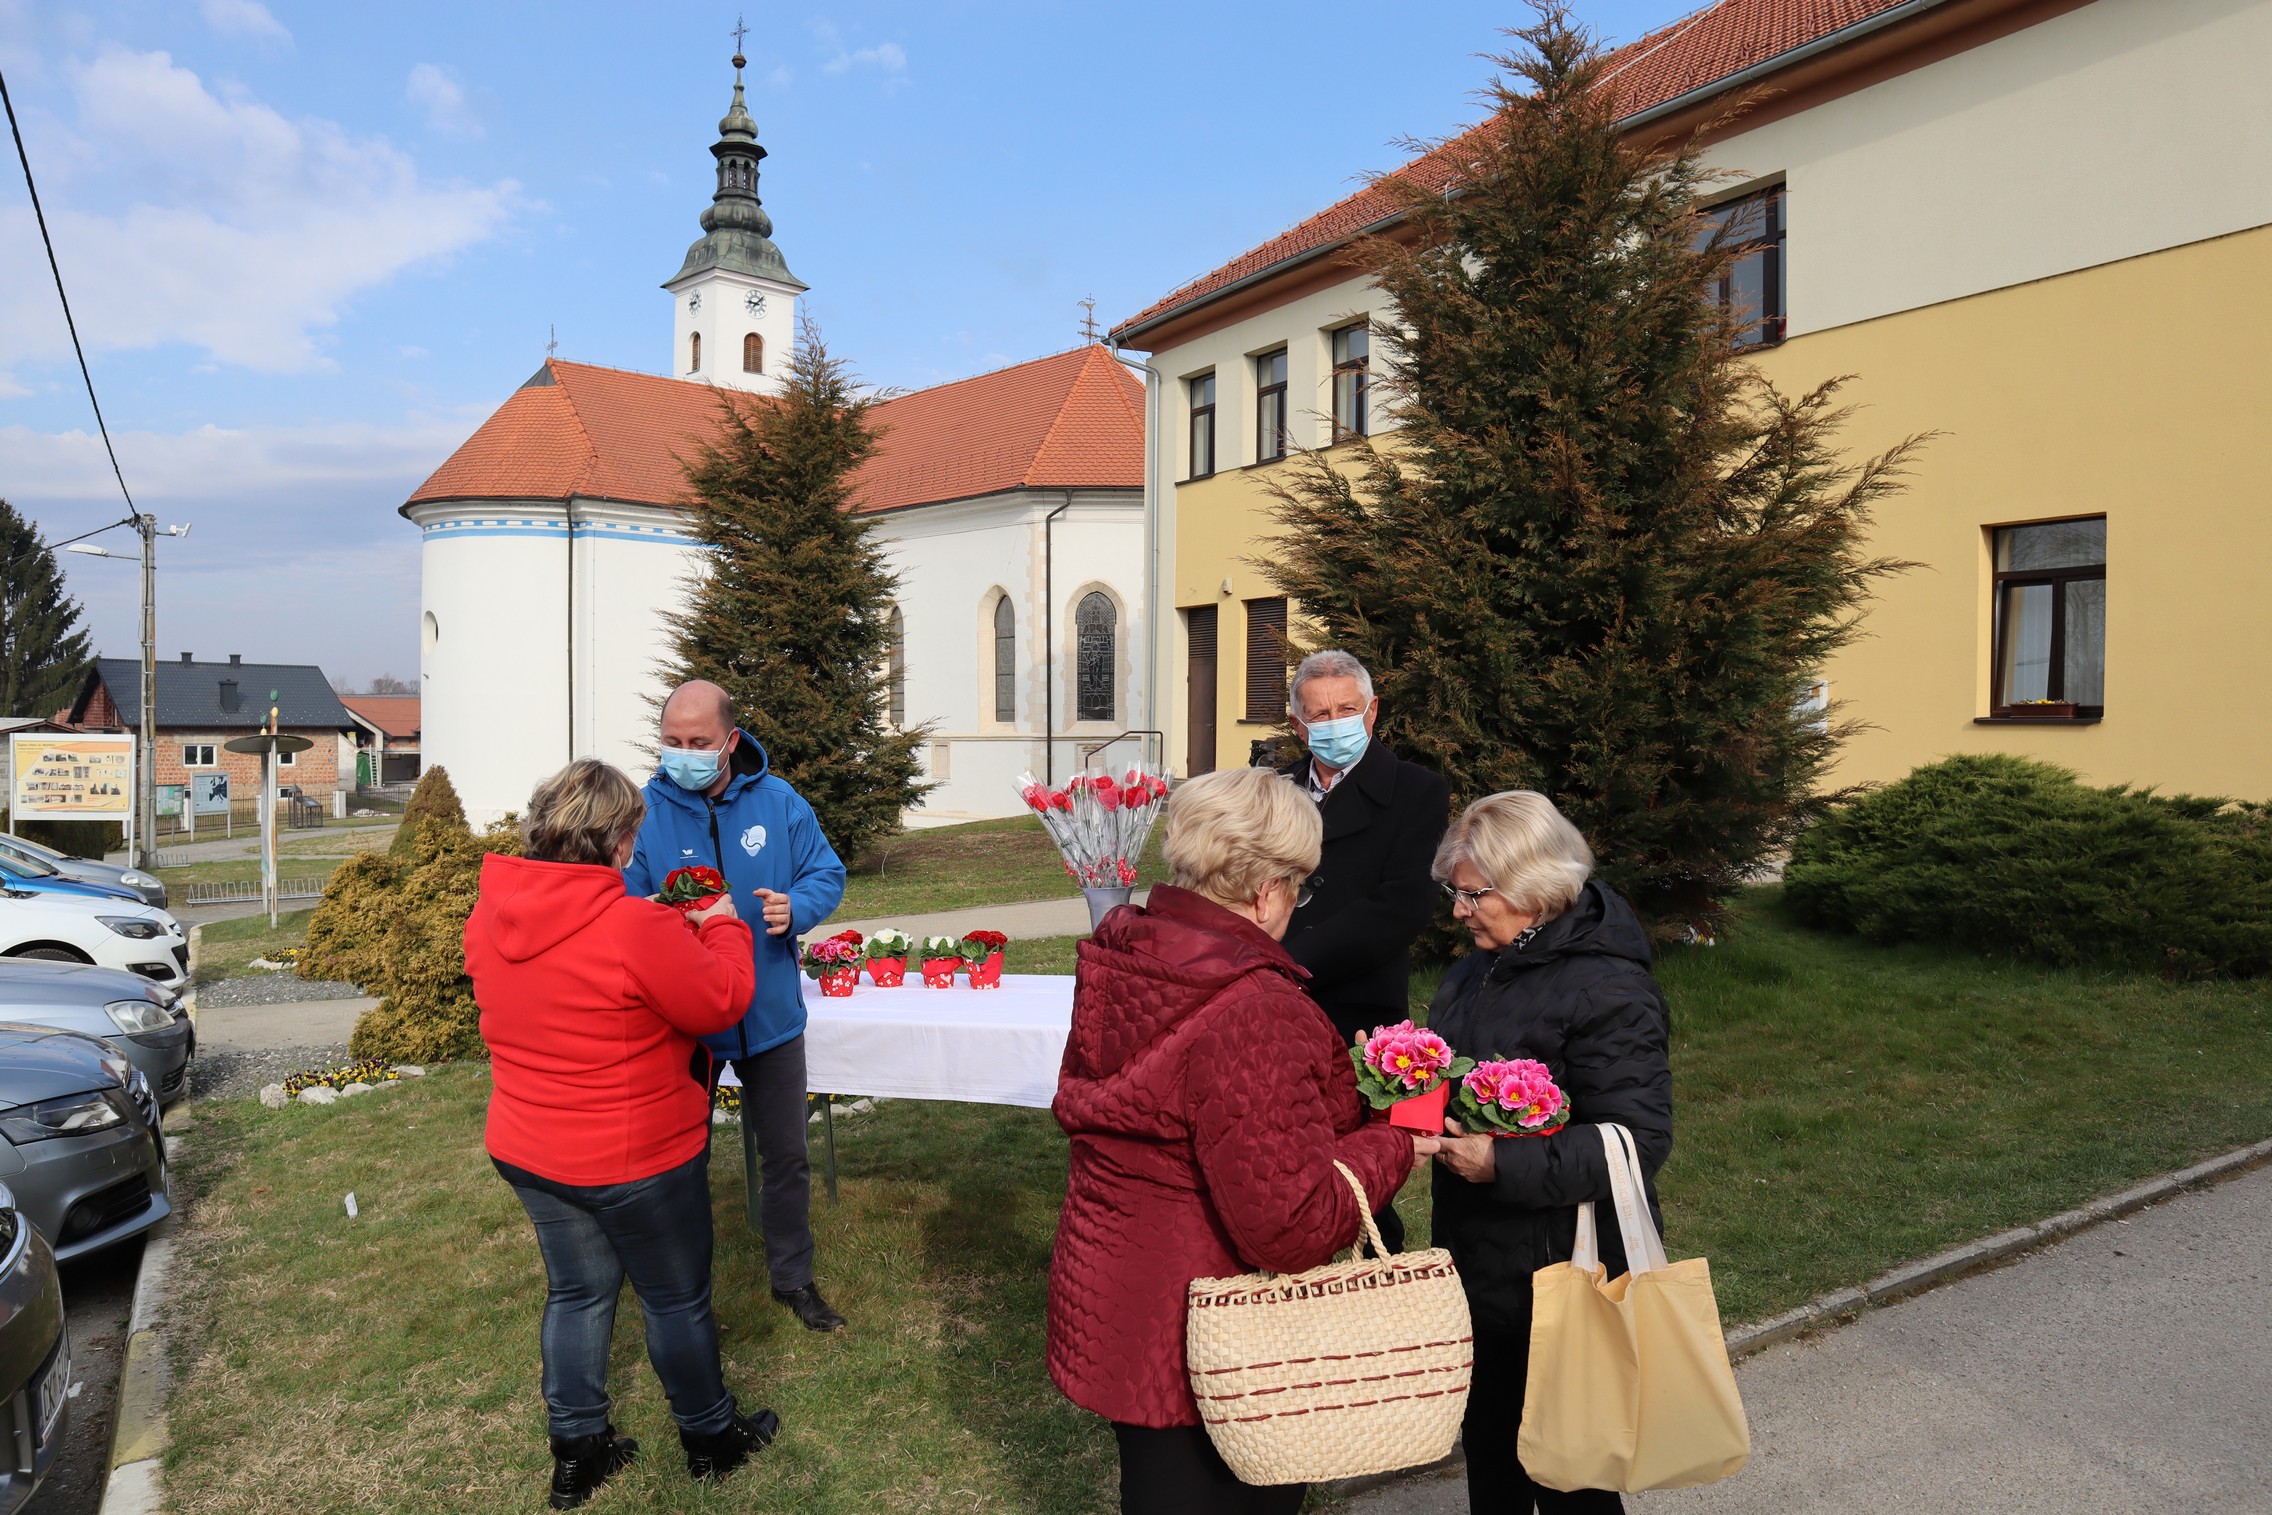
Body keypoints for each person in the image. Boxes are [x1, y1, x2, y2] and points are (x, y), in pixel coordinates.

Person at [1047, 766, 1438, 1515]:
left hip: (1125, 1296)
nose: (1297, 902)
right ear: (1266, 893)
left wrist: (1329, 1092)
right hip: (1213, 1334)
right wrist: (1392, 1140)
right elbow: (1289, 1224)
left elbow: (1183, 1109)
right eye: (1301, 887)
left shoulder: (1129, 953)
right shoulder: (1253, 1006)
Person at [468, 758, 782, 1508]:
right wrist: (721, 925)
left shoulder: (491, 911)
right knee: (675, 1300)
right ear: (619, 841)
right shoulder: (629, 921)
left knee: (576, 1294)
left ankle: (578, 1451)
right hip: (634, 1152)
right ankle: (711, 1439)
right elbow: (720, 1000)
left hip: (530, 1143)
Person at [1424, 791, 1674, 1515]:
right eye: (1454, 891)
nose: (1458, 910)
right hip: (1480, 1261)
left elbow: (1637, 1139)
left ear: (1534, 891)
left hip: (1568, 1273)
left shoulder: (1609, 987)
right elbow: (1458, 1075)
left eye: (1473, 894)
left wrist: (1501, 1164)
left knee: (1572, 1481)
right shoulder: (1478, 966)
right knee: (1493, 1462)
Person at [622, 680, 850, 1333]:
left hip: (771, 1018)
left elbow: (824, 872)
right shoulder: (643, 813)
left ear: (729, 741)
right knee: (679, 1163)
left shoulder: (779, 803)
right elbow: (623, 904)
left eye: (697, 743)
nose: (683, 754)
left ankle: (794, 1279)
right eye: (672, 742)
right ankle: (684, 1292)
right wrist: (666, 925)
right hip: (686, 1025)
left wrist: (796, 907)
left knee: (786, 1156)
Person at [1275, 648, 1448, 1251]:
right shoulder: (1275, 790)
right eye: (1318, 713)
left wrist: (1292, 962)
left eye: (1346, 708)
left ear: (1372, 713)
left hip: (1355, 1007)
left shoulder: (1415, 790)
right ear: (1298, 722)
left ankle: (1376, 1279)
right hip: (1273, 1006)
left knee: (1361, 1170)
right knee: (1284, 1159)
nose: (1333, 722)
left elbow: (1401, 906)